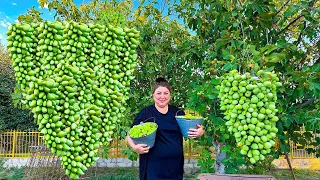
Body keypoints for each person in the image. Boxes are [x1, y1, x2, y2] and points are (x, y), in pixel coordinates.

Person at [126, 77, 204, 180]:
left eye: (166, 93)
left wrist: (200, 131)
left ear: (170, 95)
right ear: (153, 94)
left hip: (175, 168)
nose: (162, 96)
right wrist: (134, 148)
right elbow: (130, 134)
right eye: (159, 93)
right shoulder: (146, 113)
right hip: (152, 169)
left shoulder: (177, 113)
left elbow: (192, 129)